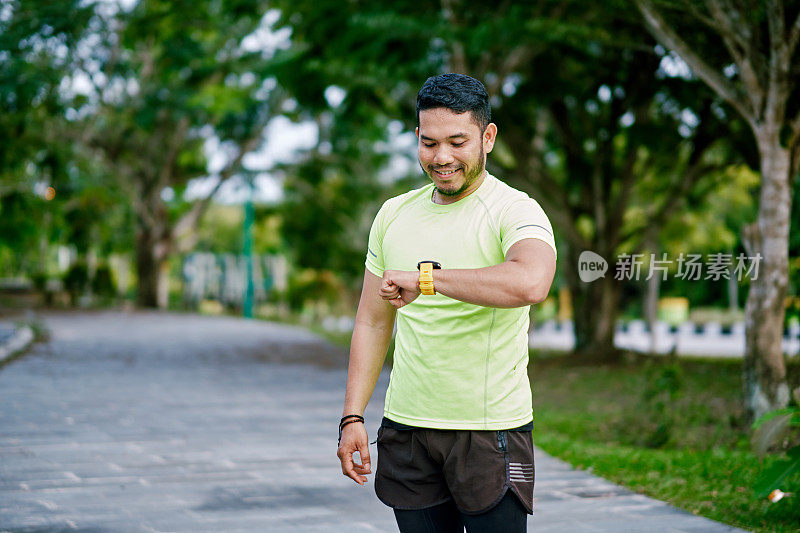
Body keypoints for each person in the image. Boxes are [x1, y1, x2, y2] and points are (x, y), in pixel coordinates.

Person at [337, 73, 557, 533]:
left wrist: (428, 281)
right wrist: (352, 416)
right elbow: (373, 323)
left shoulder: (514, 210)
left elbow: (532, 282)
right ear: (417, 138)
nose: (442, 158)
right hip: (407, 429)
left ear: (487, 137)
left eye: (458, 142)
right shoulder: (394, 214)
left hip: (489, 431)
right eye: (429, 143)